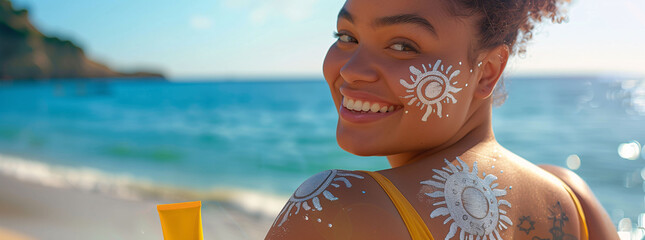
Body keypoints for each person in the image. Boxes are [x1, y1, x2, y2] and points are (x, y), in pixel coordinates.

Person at [266, 0, 618, 239]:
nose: (351, 70)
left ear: (487, 73)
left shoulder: (336, 207)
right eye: (347, 37)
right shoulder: (573, 201)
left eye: (403, 45)